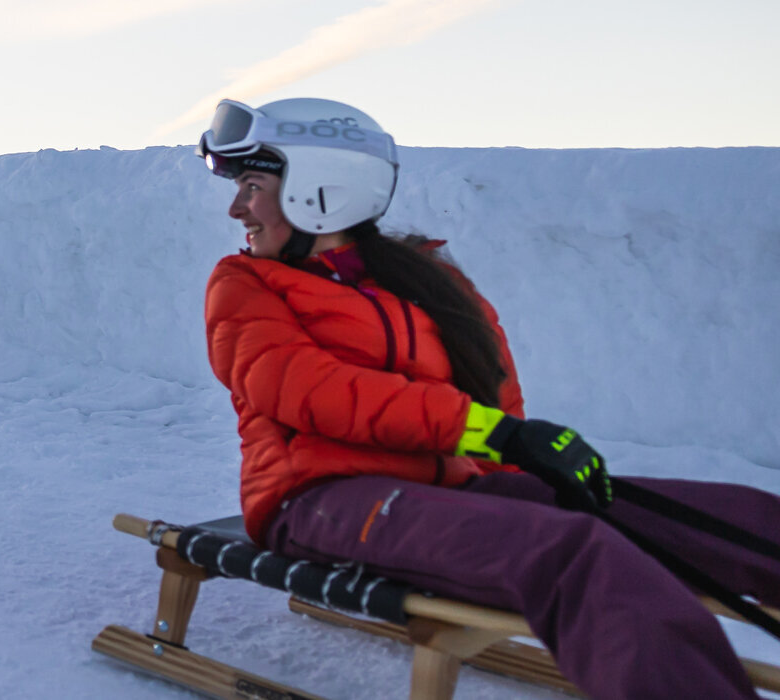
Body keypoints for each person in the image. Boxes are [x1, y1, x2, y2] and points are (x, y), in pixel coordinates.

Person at [196, 97, 780, 698]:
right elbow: (306, 388)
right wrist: (494, 435)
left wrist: (527, 462)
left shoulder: (424, 277)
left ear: (321, 187)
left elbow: (492, 387)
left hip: (449, 487)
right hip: (319, 498)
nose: (239, 207)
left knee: (722, 515)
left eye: (253, 184)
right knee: (573, 555)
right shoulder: (243, 284)